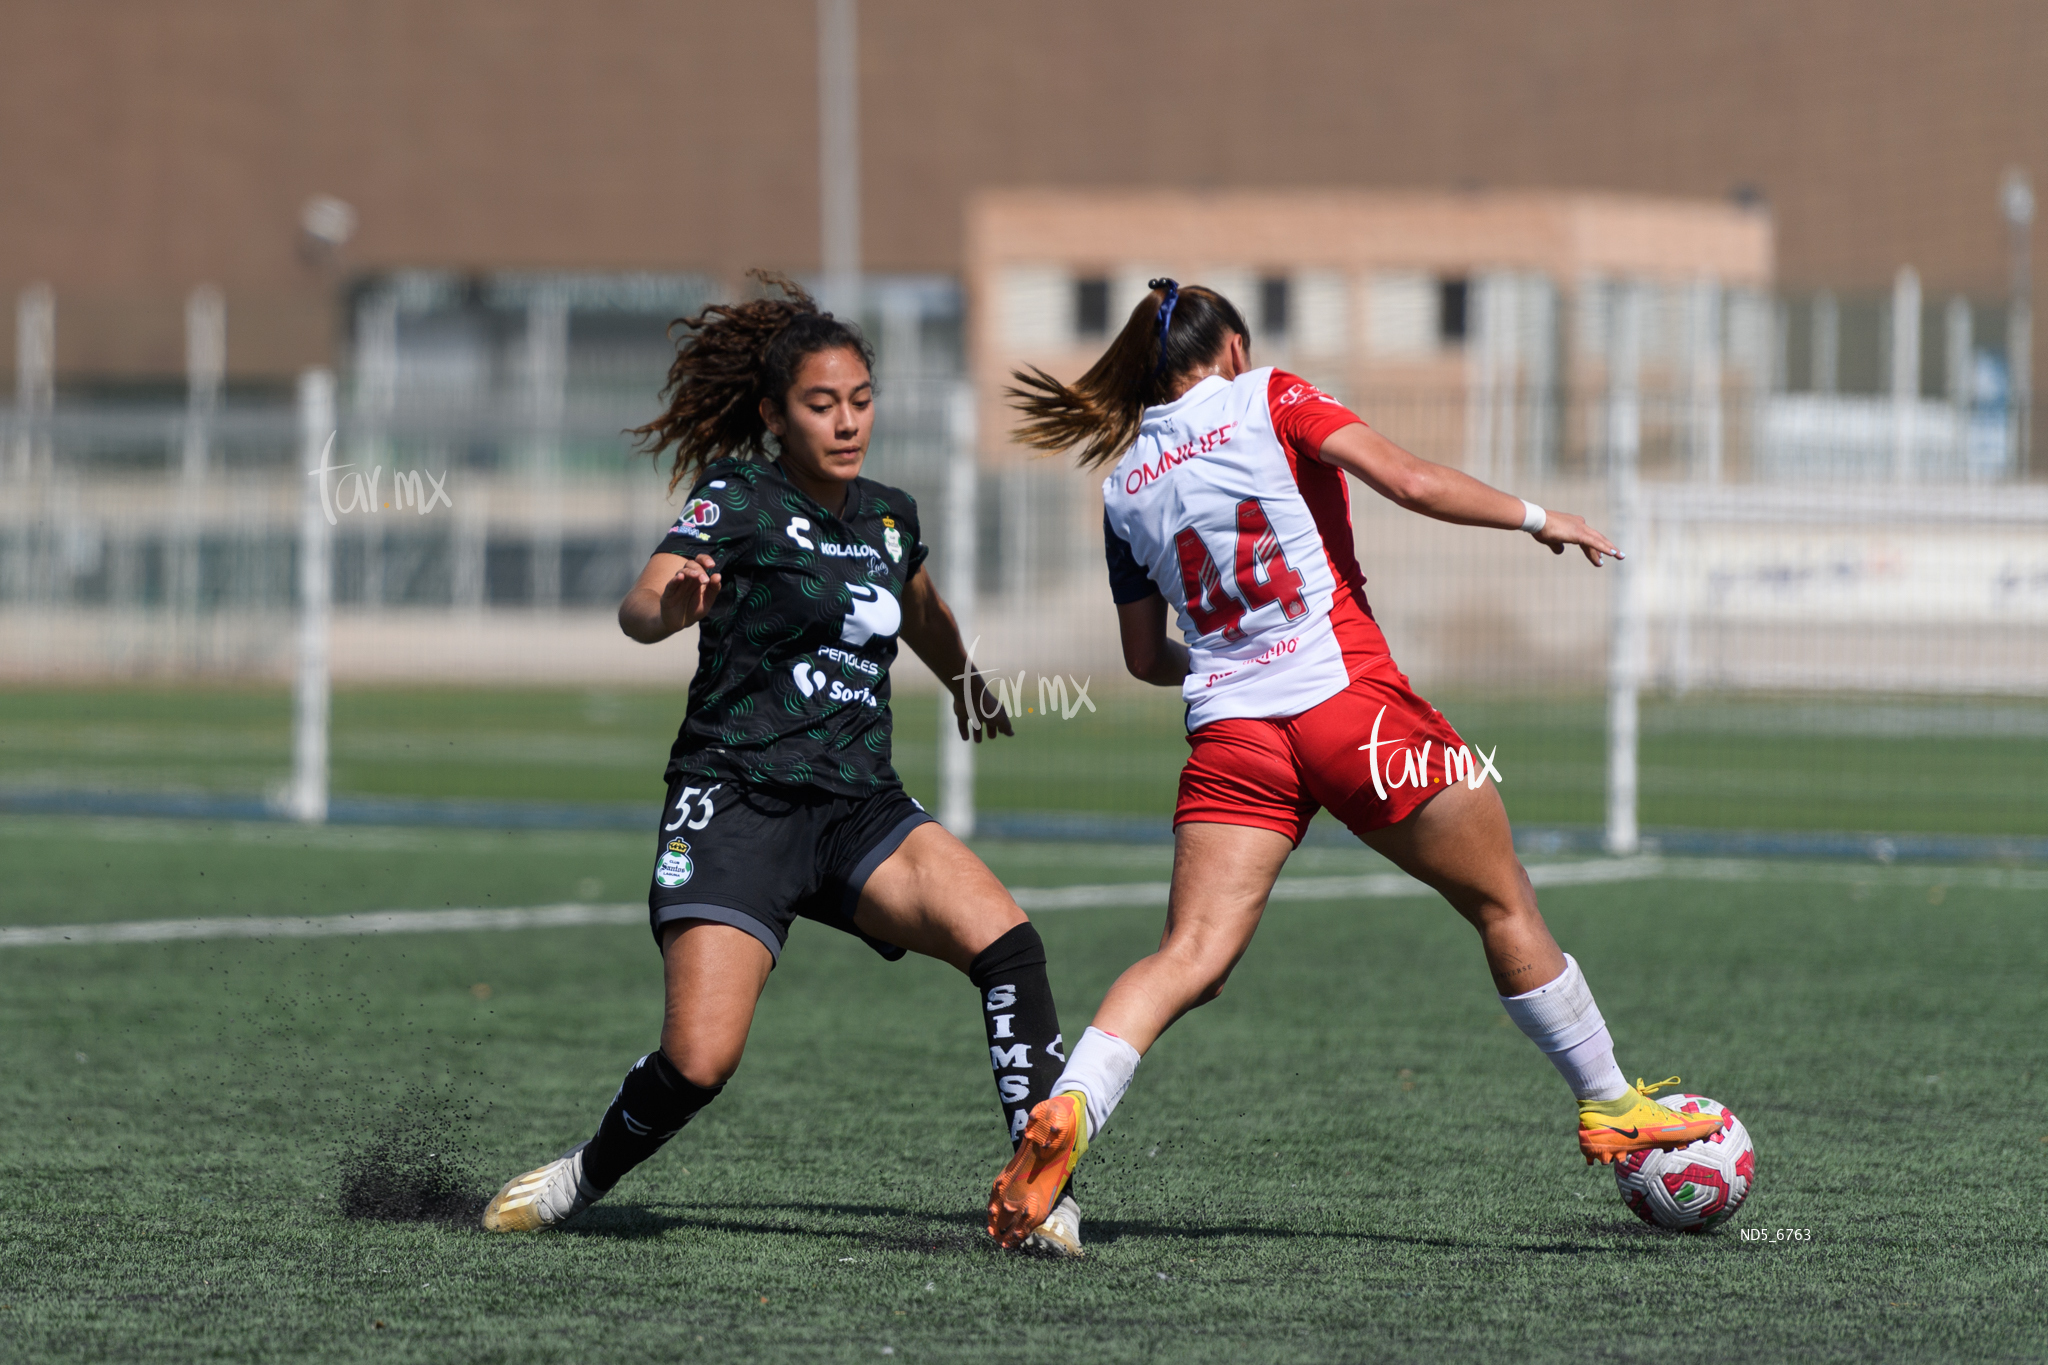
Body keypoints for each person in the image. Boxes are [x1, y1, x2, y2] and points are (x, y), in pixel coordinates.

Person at [985, 279, 1726, 1247]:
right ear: (1234, 350)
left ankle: (1070, 1112)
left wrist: (1220, 665)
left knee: (1187, 959)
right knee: (1500, 902)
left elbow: (1139, 658)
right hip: (1350, 710)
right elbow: (1410, 482)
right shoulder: (1272, 398)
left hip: (1231, 737)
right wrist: (1541, 518)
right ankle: (1606, 1102)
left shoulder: (1123, 483)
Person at [480, 273, 1082, 1257]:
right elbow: (640, 605)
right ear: (773, 414)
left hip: (860, 811)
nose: (846, 422)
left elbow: (920, 609)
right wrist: (671, 608)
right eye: (819, 404)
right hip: (736, 805)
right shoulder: (738, 495)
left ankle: (1037, 1188)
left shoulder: (888, 516)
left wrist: (966, 680)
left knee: (1008, 947)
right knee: (699, 1061)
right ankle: (580, 1177)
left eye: (860, 400)